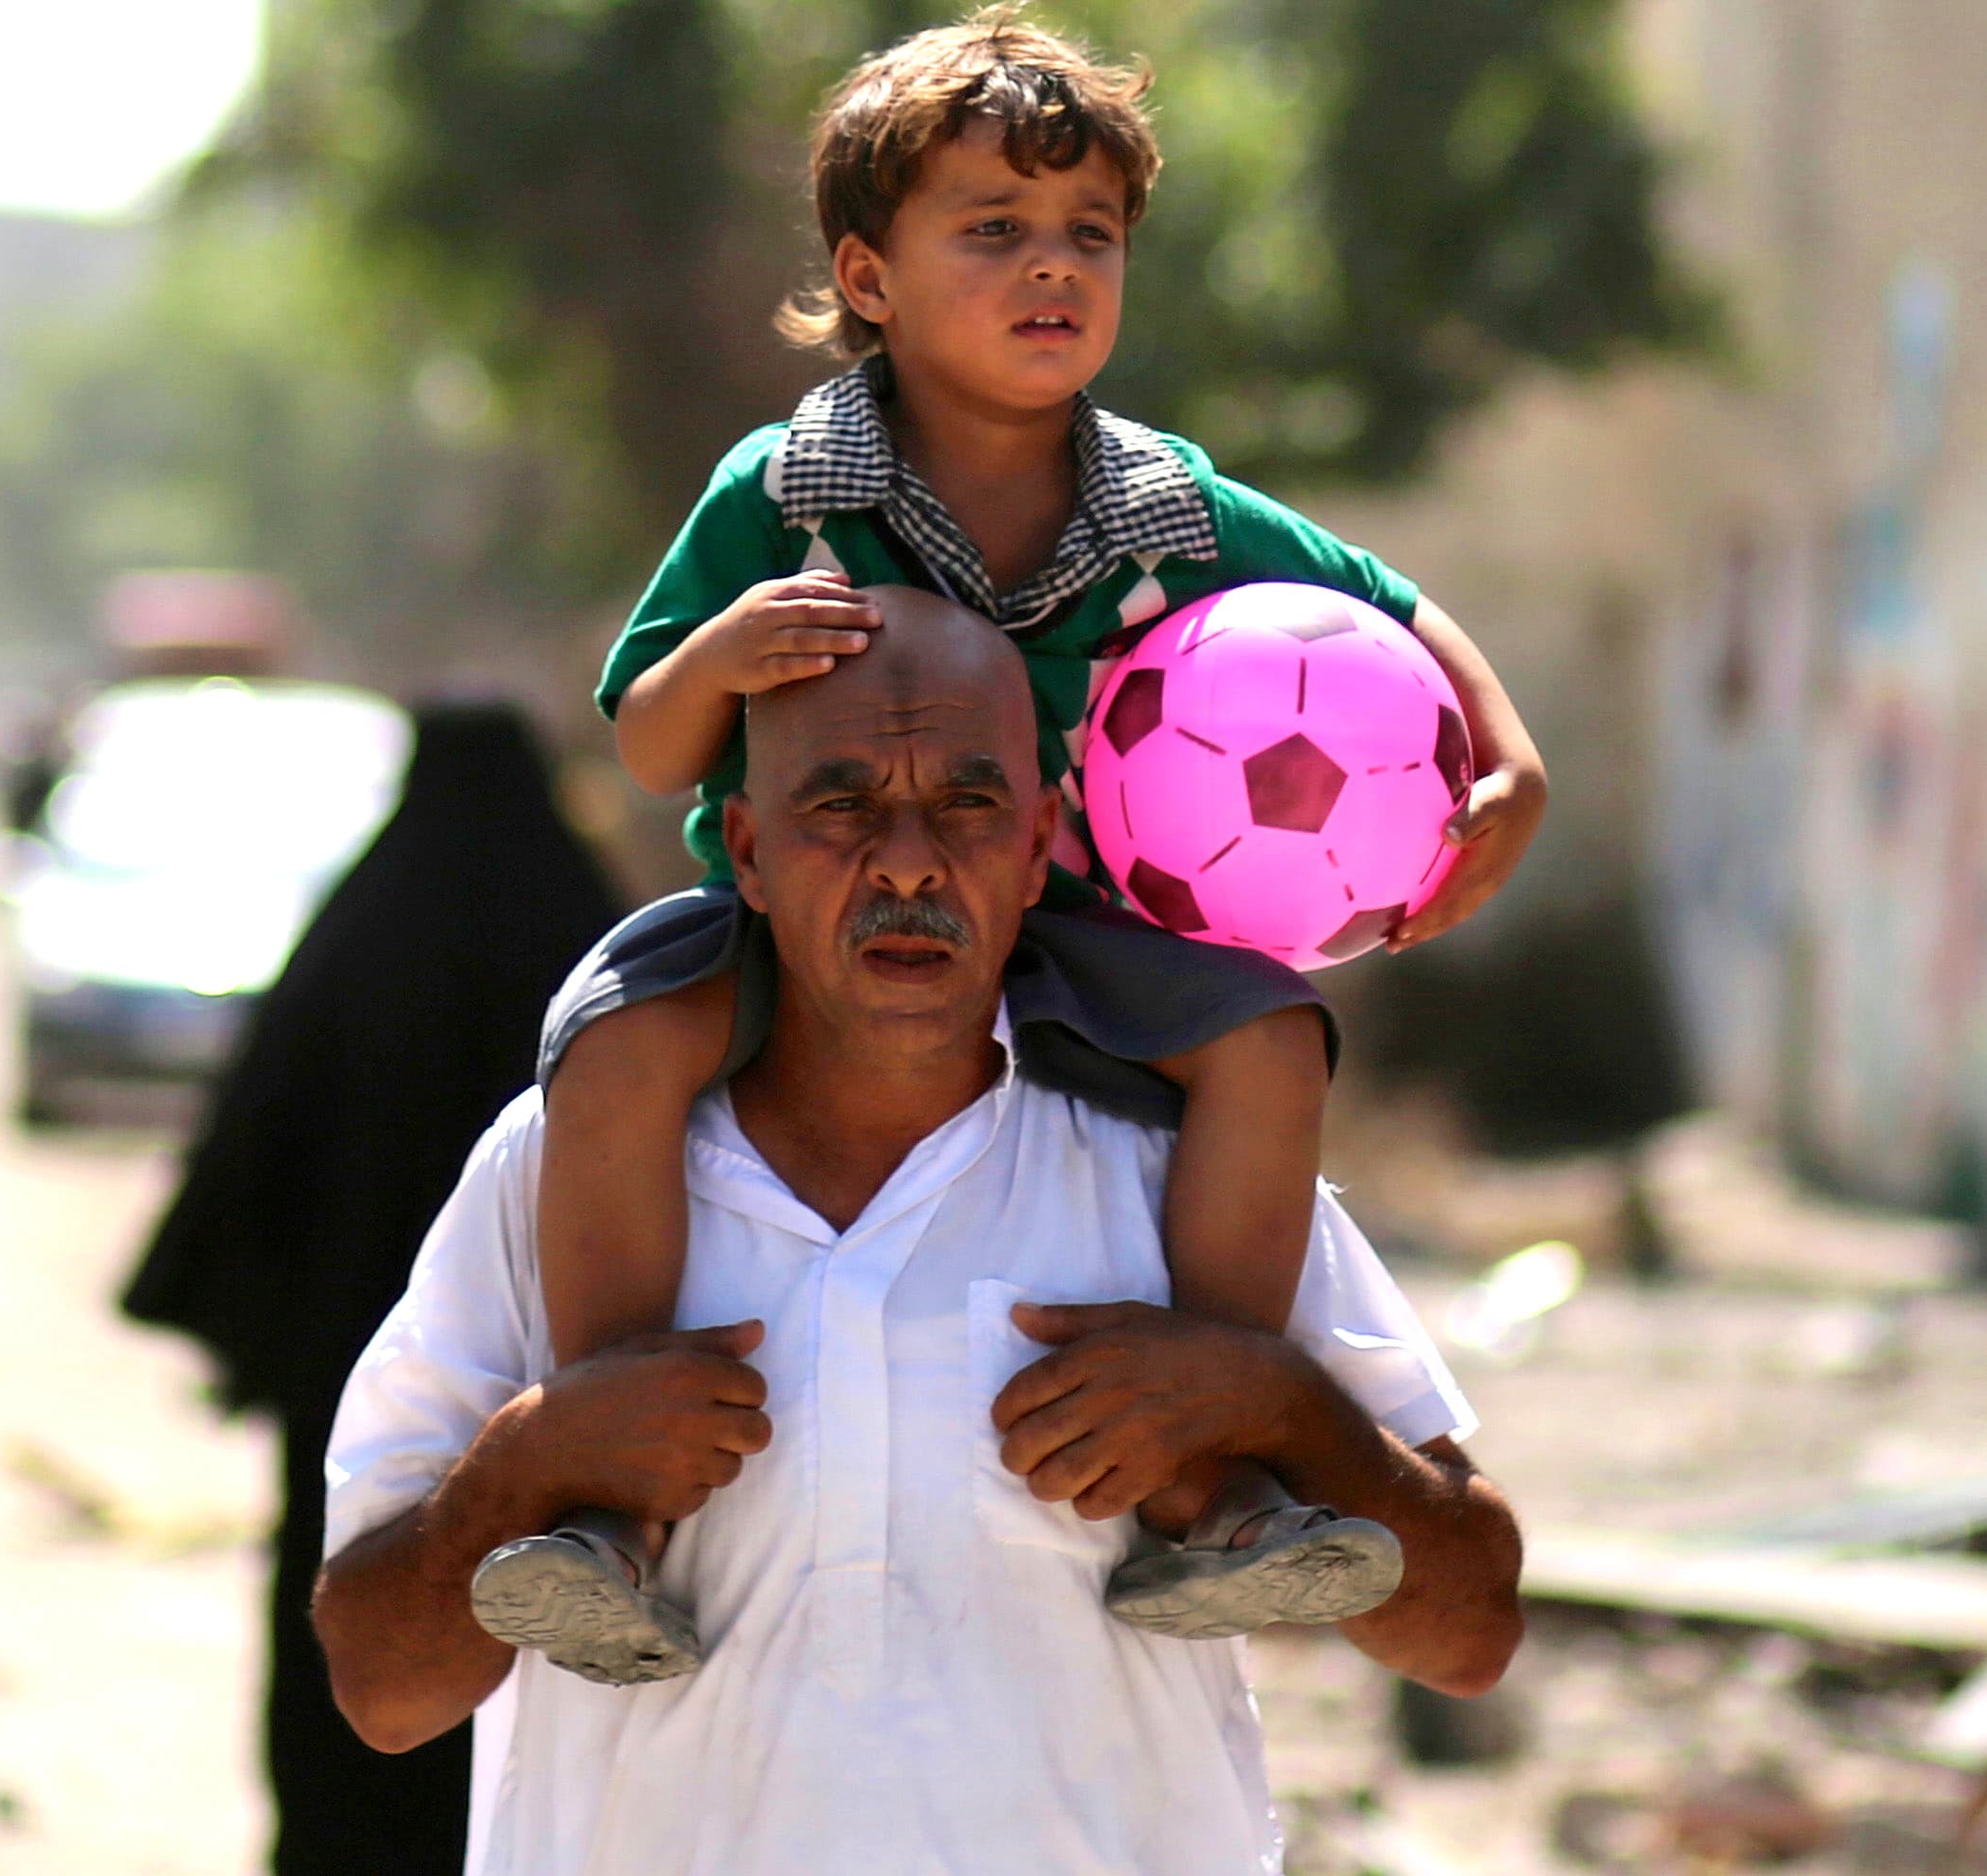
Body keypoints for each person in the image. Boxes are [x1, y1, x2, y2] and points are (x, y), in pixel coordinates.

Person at [485, 1, 1548, 1682]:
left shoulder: (1167, 507)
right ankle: (607, 1511)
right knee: (616, 1044)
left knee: (1271, 1041)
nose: (1054, 267)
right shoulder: (784, 487)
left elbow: (1389, 605)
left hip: (1076, 942)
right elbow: (647, 739)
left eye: (1091, 234)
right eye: (994, 230)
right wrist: (723, 658)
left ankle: (1216, 1492)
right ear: (870, 277)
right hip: (805, 936)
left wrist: (1507, 760)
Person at [313, 602, 1523, 1873]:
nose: (906, 864)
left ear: (1042, 841)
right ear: (748, 852)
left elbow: (1472, 1630)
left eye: (968, 806)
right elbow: (380, 1691)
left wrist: (1277, 1410)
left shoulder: (1175, 1167)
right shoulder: (561, 1169)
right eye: (839, 807)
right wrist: (534, 1464)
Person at [122, 703, 623, 1876]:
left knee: (357, 1657)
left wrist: (265, 1350)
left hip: (345, 1395)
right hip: (562, 1407)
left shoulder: (353, 943)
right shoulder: (588, 950)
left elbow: (252, 1152)